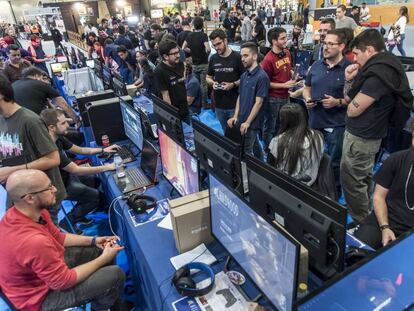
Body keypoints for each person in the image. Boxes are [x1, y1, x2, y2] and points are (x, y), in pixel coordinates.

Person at [0, 169, 126, 310]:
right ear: (30, 198)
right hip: (39, 299)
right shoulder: (33, 242)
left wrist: (94, 240)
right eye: (48, 188)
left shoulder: (30, 212)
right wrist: (103, 258)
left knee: (101, 249)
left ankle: (111, 300)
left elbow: (58, 237)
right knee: (116, 275)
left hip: (43, 273)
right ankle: (101, 307)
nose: (55, 189)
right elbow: (63, 281)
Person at [341, 29, 413, 223]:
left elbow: (352, 109)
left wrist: (352, 93)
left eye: (357, 54)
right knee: (363, 178)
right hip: (369, 136)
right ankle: (369, 216)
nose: (354, 59)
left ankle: (362, 223)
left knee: (353, 181)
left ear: (370, 50)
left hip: (362, 138)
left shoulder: (378, 75)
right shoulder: (384, 66)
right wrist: (350, 80)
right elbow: (349, 97)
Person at [0, 74, 65, 224]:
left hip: (40, 197)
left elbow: (53, 159)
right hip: (20, 195)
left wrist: (11, 170)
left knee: (48, 242)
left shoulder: (30, 120)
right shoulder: (2, 119)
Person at [40, 108, 119, 232]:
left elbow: (81, 150)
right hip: (60, 186)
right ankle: (68, 222)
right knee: (96, 197)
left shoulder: (58, 137)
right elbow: (77, 170)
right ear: (51, 127)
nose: (68, 125)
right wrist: (108, 167)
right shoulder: (50, 147)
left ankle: (84, 211)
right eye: (63, 123)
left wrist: (104, 149)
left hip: (66, 177)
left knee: (96, 181)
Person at [303, 29, 351, 197]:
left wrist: (337, 102)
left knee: (334, 163)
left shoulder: (349, 69)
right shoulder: (316, 65)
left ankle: (334, 195)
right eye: (325, 43)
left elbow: (355, 99)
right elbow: (307, 87)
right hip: (315, 122)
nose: (326, 47)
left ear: (342, 46)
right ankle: (315, 191)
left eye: (331, 44)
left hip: (337, 125)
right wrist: (307, 98)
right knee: (313, 159)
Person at [354, 125, 414, 250]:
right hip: (386, 219)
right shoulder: (396, 159)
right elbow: (378, 196)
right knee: (357, 252)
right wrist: (385, 227)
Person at [227, 42, 269, 158]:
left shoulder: (262, 77)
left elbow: (259, 102)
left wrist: (248, 122)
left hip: (252, 122)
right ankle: (261, 164)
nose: (242, 59)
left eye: (246, 56)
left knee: (247, 152)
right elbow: (240, 96)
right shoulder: (244, 76)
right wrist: (235, 116)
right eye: (241, 56)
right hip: (242, 119)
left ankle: (250, 174)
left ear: (255, 56)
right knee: (254, 146)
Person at [268, 104, 324, 186]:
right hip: (313, 184)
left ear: (284, 121)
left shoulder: (278, 141)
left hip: (288, 187)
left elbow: (270, 169)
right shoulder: (318, 136)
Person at [261, 27, 297, 149]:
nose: (286, 40)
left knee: (283, 124)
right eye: (282, 38)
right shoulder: (267, 60)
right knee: (270, 127)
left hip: (286, 96)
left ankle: (279, 147)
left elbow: (287, 68)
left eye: (285, 37)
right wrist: (284, 85)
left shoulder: (286, 52)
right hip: (273, 98)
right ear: (274, 41)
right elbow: (265, 83)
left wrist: (292, 73)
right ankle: (268, 150)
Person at [207, 29, 244, 132]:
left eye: (218, 44)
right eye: (214, 45)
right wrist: (212, 83)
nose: (216, 47)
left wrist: (233, 84)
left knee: (237, 134)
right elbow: (208, 77)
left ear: (225, 41)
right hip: (219, 105)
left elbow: (246, 79)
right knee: (226, 132)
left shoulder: (237, 57)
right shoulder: (213, 58)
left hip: (235, 104)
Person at [12, 67, 79, 123]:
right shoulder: (39, 84)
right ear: (36, 76)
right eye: (41, 78)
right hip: (35, 123)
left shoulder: (13, 85)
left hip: (16, 122)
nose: (42, 81)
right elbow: (63, 104)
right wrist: (76, 120)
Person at [154, 40, 189, 122]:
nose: (178, 55)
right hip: (174, 113)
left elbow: (182, 83)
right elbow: (165, 95)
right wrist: (172, 117)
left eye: (178, 52)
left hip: (185, 109)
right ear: (165, 56)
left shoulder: (180, 64)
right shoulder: (159, 71)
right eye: (174, 54)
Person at [182, 16, 210, 107]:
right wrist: (206, 55)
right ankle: (204, 104)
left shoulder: (189, 35)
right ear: (202, 25)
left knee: (196, 84)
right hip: (204, 63)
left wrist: (191, 51)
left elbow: (183, 48)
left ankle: (197, 103)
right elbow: (208, 49)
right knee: (204, 85)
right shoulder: (204, 35)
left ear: (193, 25)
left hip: (194, 64)